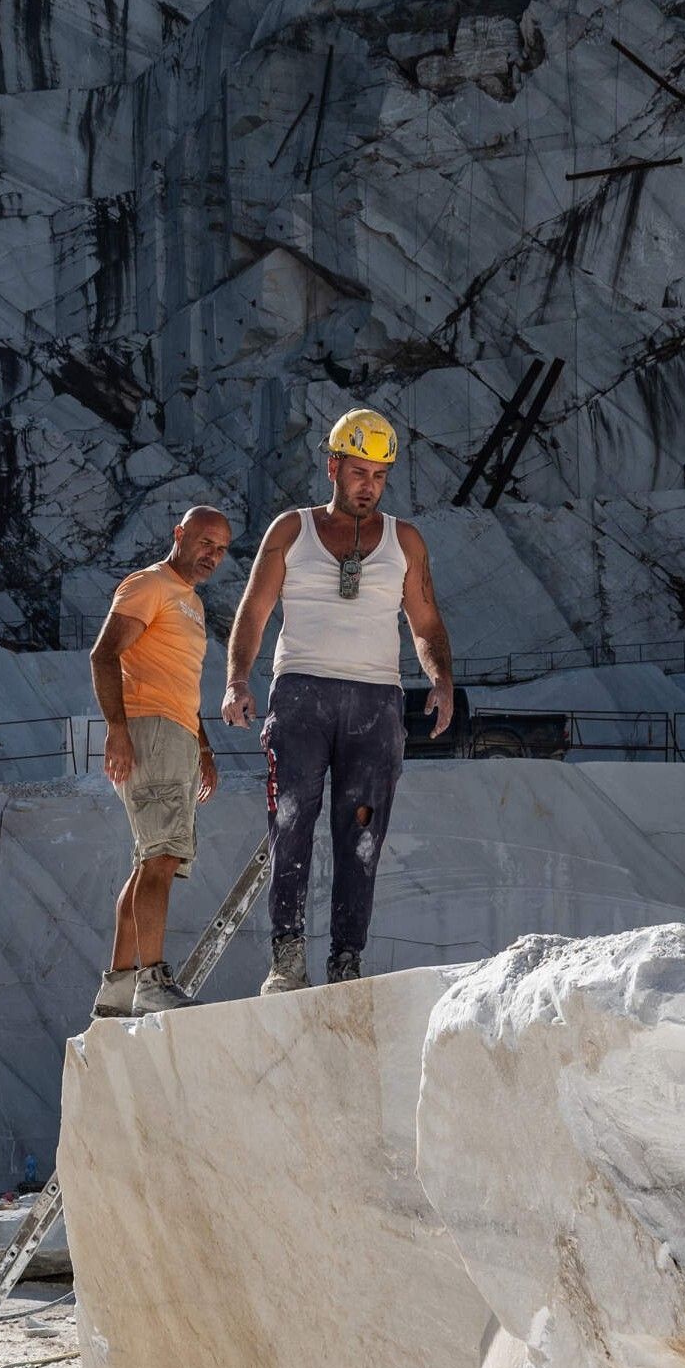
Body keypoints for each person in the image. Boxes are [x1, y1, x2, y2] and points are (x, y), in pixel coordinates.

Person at [222, 410, 453, 993]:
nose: (368, 485)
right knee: (291, 822)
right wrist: (236, 681)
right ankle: (287, 957)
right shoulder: (290, 531)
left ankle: (347, 960)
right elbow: (253, 611)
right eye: (358, 471)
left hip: (376, 702)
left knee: (363, 834)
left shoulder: (405, 541)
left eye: (379, 475)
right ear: (333, 467)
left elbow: (424, 620)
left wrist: (441, 680)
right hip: (301, 691)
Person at [89, 506, 231, 1017]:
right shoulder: (149, 585)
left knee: (150, 862)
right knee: (162, 859)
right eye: (204, 542)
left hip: (175, 737)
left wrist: (204, 748)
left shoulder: (187, 601)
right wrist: (117, 730)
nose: (212, 554)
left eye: (220, 548)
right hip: (150, 733)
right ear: (179, 535)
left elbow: (182, 685)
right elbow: (103, 655)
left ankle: (118, 988)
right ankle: (151, 981)